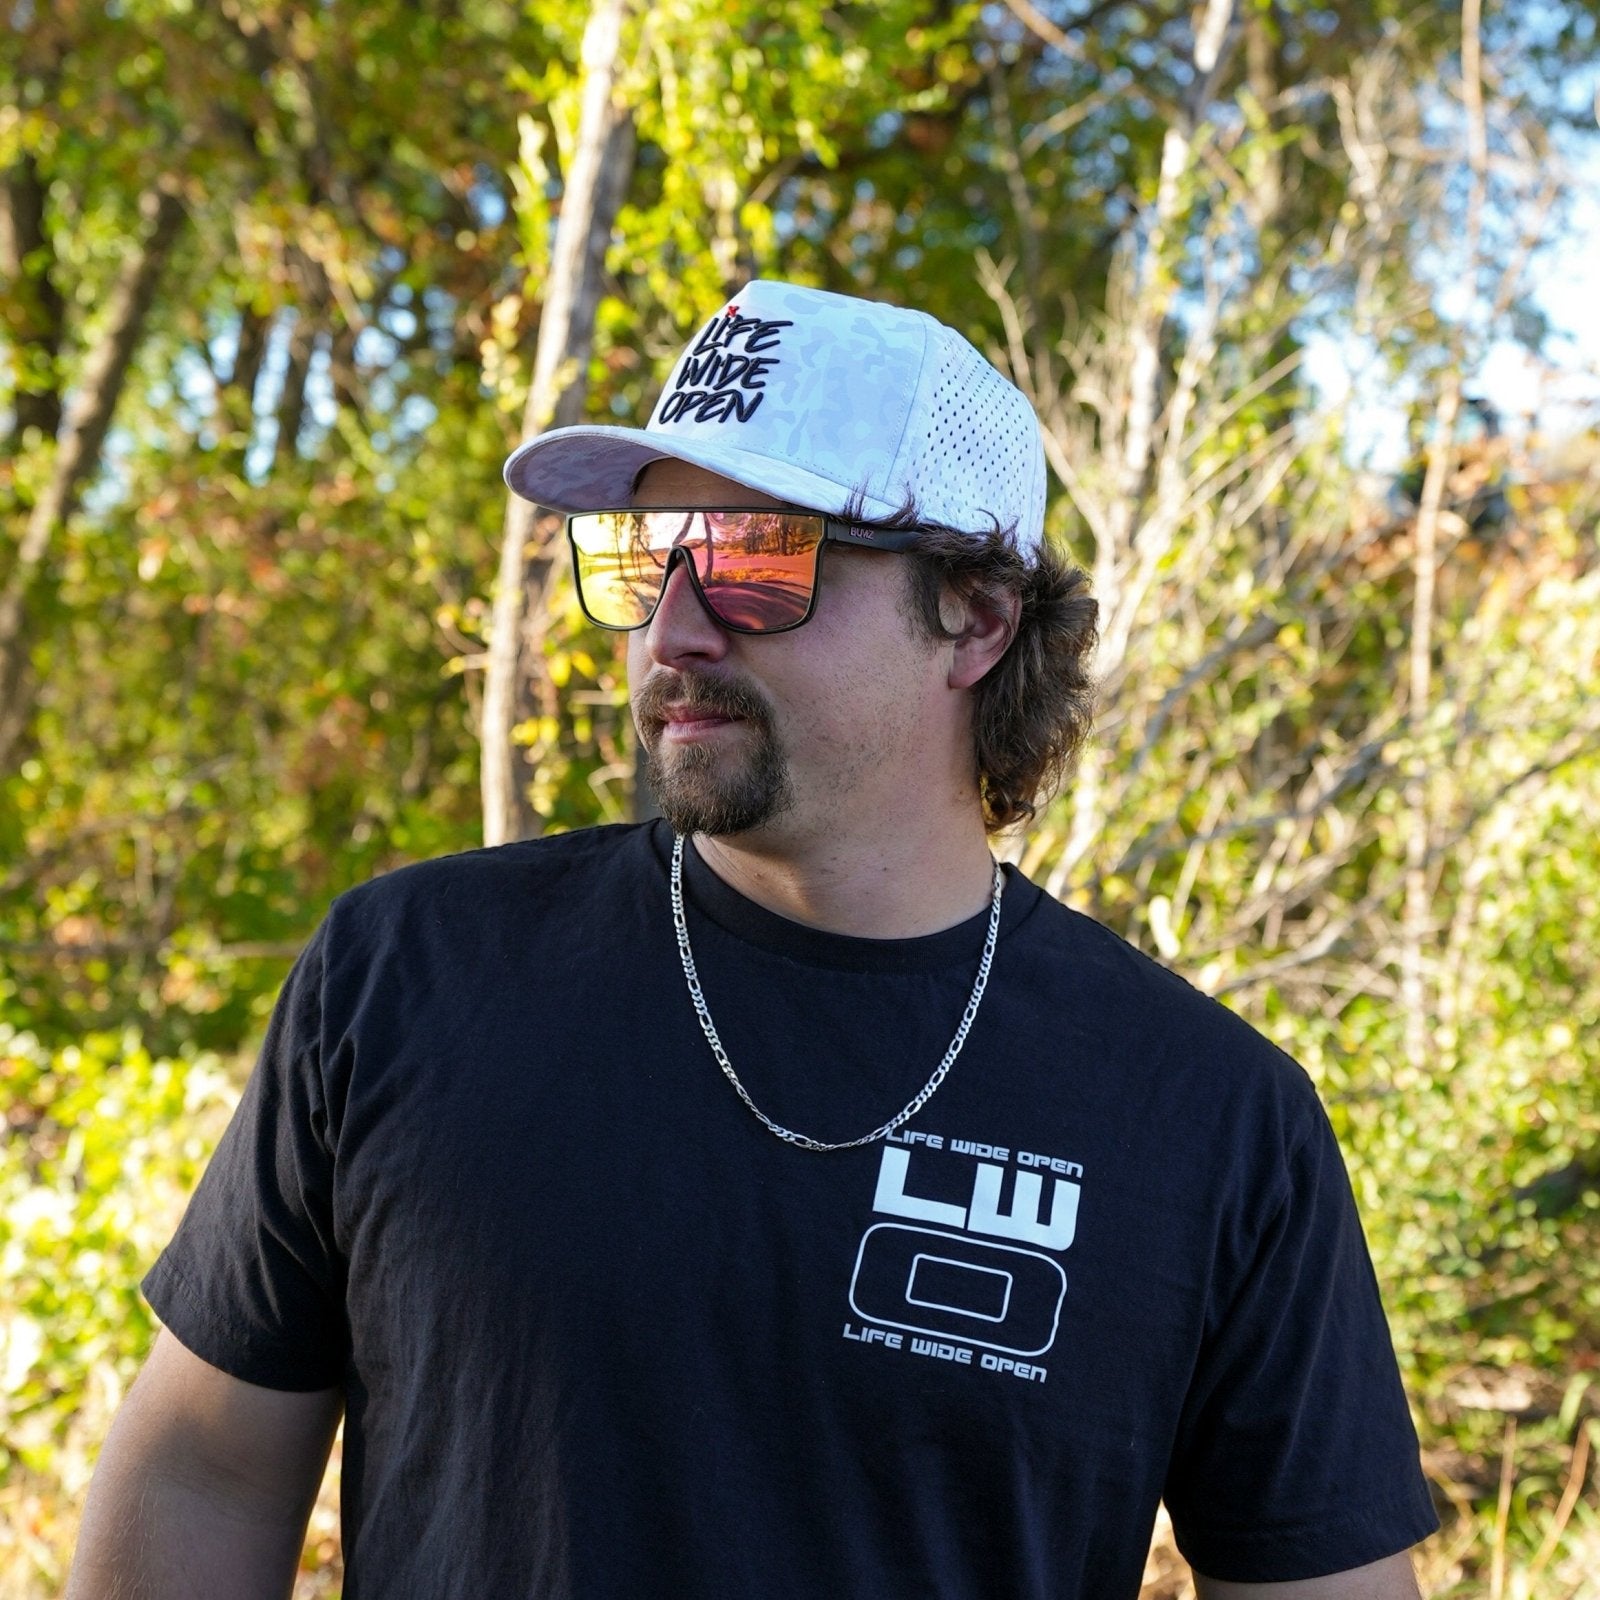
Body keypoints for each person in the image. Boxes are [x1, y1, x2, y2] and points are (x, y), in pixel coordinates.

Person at [68, 280, 1438, 1599]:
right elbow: (205, 1472)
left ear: (975, 617)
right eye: (645, 559)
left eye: (753, 561)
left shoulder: (1208, 1119)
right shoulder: (406, 977)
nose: (671, 626)